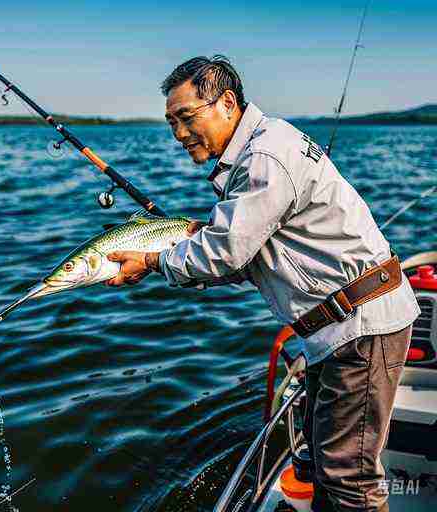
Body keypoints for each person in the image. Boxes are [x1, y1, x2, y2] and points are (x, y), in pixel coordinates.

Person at [105, 56, 420, 511]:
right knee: (324, 466)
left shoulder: (264, 157)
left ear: (227, 103)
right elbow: (246, 257)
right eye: (171, 122)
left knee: (349, 480)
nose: (178, 134)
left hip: (360, 330)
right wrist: (190, 245)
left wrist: (155, 261)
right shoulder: (264, 147)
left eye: (187, 118)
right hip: (339, 332)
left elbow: (225, 252)